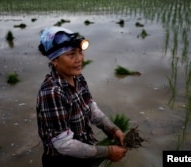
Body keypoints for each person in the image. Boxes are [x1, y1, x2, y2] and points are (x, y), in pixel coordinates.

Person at [36, 26, 127, 167]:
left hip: (84, 153)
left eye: (80, 52)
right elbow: (63, 144)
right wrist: (107, 151)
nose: (79, 59)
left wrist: (113, 129)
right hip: (63, 161)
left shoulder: (78, 79)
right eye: (71, 54)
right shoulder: (52, 92)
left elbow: (91, 108)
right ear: (54, 60)